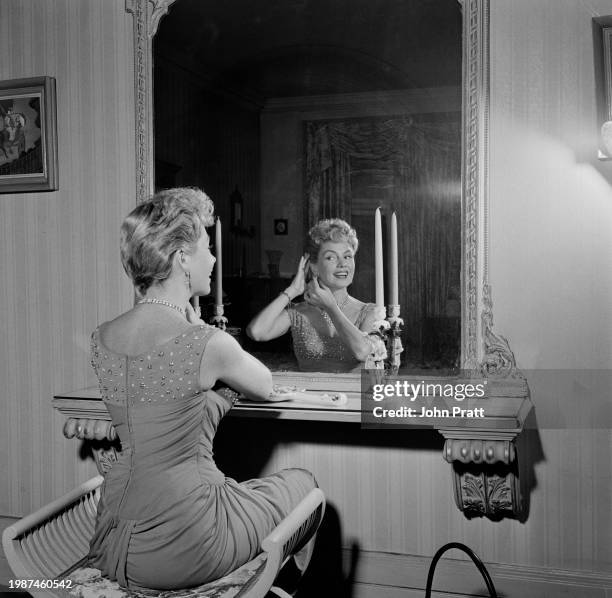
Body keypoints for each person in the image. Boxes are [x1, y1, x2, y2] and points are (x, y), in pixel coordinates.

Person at [88, 187, 317, 590]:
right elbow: (264, 385)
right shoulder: (206, 341)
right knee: (304, 484)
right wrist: (200, 327)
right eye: (207, 248)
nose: (212, 260)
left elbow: (158, 399)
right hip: (187, 542)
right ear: (181, 259)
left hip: (112, 537)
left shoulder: (102, 336)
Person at [247, 218, 387, 372]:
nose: (342, 264)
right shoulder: (299, 313)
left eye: (347, 256)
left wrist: (331, 307)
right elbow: (257, 332)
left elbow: (362, 352)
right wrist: (292, 290)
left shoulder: (369, 312)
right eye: (331, 257)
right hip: (308, 395)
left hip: (353, 395)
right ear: (314, 267)